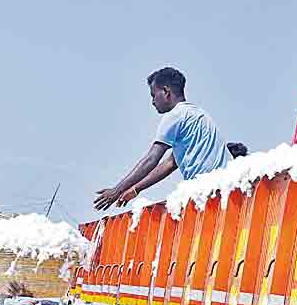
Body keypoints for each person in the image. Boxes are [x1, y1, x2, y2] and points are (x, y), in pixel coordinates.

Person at [94, 66, 231, 210]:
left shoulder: (175, 115)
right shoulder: (198, 114)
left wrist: (117, 190)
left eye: (153, 95)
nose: (152, 101)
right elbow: (170, 163)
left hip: (209, 194)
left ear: (166, 92)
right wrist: (135, 189)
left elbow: (152, 159)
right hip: (227, 189)